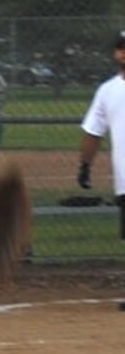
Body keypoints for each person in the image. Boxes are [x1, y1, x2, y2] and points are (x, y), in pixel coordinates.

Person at [74, 29, 125, 244]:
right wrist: (85, 166)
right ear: (116, 53)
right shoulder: (107, 90)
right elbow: (93, 132)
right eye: (121, 48)